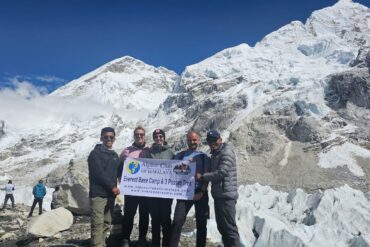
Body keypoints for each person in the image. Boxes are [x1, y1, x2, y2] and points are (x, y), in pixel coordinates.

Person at [196, 130, 240, 247]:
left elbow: (221, 173)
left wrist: (203, 177)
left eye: (214, 140)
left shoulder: (226, 152)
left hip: (226, 196)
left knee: (230, 229)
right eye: (210, 141)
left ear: (220, 139)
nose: (212, 143)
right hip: (219, 196)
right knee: (222, 227)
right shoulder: (215, 154)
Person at [169, 131, 210, 247]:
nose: (192, 142)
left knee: (201, 223)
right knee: (177, 221)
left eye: (194, 140)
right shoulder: (180, 155)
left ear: (198, 140)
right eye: (190, 140)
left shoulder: (204, 156)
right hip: (184, 193)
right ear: (186, 140)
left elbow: (207, 175)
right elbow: (169, 170)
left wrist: (202, 191)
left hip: (200, 193)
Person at [88, 127, 121, 247]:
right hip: (98, 194)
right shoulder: (95, 154)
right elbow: (99, 173)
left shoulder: (115, 155)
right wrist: (112, 187)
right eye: (106, 137)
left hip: (111, 196)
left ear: (114, 138)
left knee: (107, 222)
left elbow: (119, 173)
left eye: (111, 137)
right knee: (97, 223)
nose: (108, 139)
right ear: (101, 138)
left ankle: (100, 243)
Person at [119, 126, 150, 247]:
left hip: (146, 189)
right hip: (131, 189)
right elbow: (119, 167)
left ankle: (142, 238)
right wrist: (121, 181)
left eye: (141, 134)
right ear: (134, 136)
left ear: (144, 135)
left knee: (144, 214)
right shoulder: (126, 151)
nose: (139, 136)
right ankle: (125, 238)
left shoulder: (150, 149)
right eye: (137, 134)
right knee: (129, 214)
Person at [145, 129, 175, 247]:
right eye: (156, 136)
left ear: (164, 137)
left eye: (160, 136)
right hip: (153, 192)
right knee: (155, 219)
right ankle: (155, 244)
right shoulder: (149, 152)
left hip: (166, 192)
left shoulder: (170, 153)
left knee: (166, 219)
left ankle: (166, 244)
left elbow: (176, 169)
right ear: (153, 138)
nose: (158, 138)